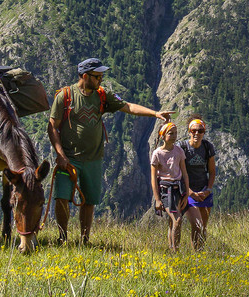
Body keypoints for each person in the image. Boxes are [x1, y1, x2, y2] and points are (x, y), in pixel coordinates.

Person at [48, 57, 171, 246]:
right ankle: (62, 238)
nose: (100, 80)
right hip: (68, 159)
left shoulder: (102, 95)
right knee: (61, 198)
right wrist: (60, 155)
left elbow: (128, 106)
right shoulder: (64, 96)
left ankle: (85, 240)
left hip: (93, 159)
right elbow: (52, 127)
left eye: (101, 76)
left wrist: (155, 114)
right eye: (97, 76)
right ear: (84, 76)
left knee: (89, 201)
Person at [150, 122, 189, 252]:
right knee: (177, 219)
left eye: (175, 133)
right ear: (163, 135)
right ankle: (175, 251)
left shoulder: (179, 151)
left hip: (179, 189)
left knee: (172, 222)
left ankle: (172, 248)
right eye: (170, 133)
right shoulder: (157, 154)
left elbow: (184, 173)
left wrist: (186, 194)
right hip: (166, 190)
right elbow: (153, 178)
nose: (173, 136)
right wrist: (157, 199)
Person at [182, 117, 217, 251]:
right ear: (189, 131)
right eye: (194, 130)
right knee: (197, 225)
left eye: (200, 130)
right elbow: (178, 172)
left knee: (203, 227)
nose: (197, 133)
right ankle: (196, 254)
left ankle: (200, 255)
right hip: (188, 192)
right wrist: (190, 192)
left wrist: (208, 189)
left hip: (204, 192)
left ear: (204, 132)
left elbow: (212, 172)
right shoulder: (182, 148)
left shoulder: (208, 147)